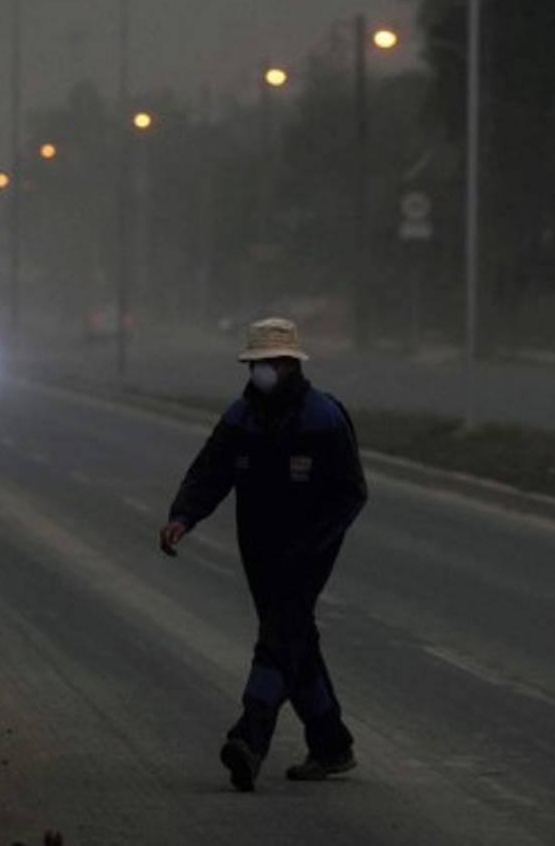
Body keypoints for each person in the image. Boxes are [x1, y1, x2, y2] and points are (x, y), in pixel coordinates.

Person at [159, 317, 367, 792]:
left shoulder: (324, 419)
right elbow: (210, 471)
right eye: (256, 363)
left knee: (277, 637)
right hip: (258, 548)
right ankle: (331, 743)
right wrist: (182, 517)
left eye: (271, 363)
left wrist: (318, 542)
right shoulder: (241, 417)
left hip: (309, 552)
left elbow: (352, 491)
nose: (262, 371)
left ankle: (250, 738)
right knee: (295, 641)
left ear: (292, 365)